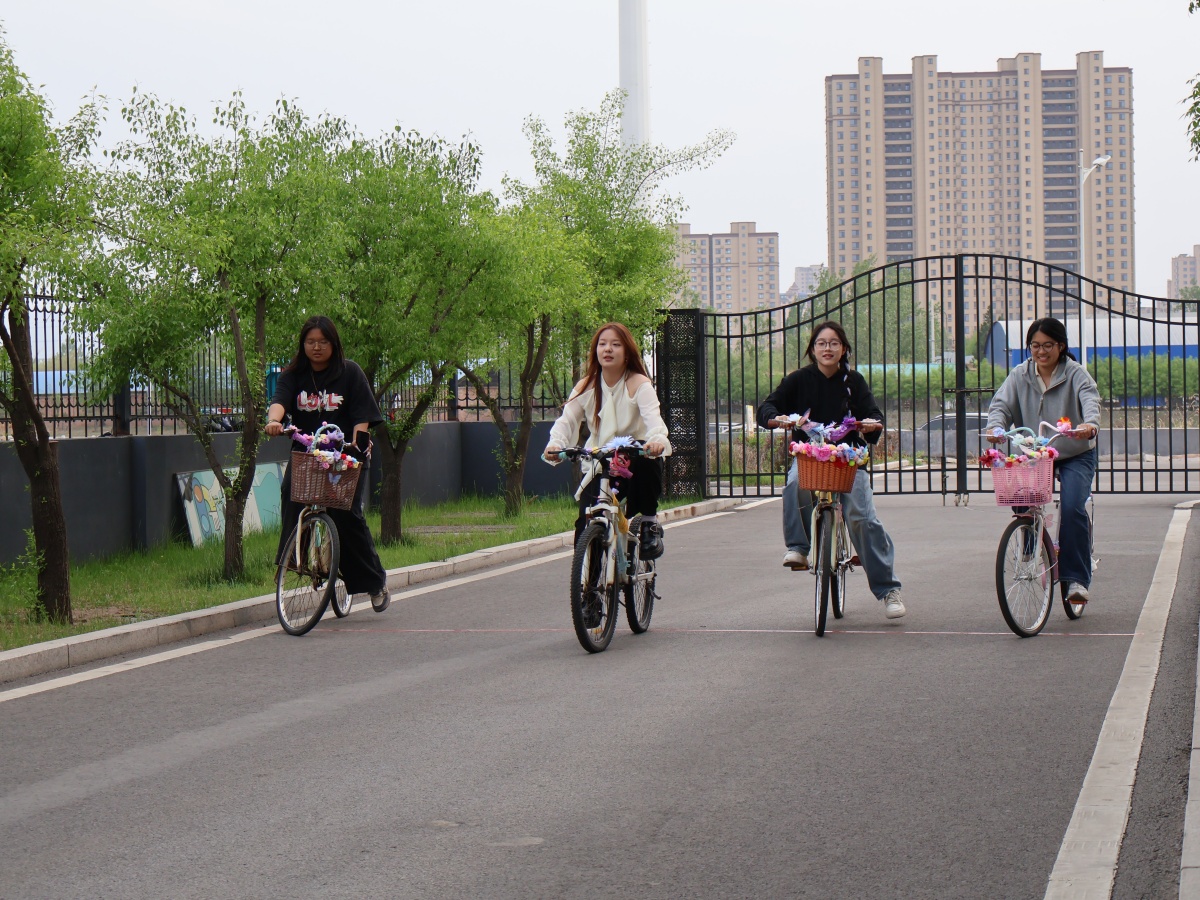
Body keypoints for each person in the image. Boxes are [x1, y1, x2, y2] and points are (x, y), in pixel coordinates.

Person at [756, 321, 906, 619]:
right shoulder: (798, 380)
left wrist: (871, 424)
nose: (828, 348)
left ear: (844, 348)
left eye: (834, 343)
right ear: (812, 349)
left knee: (862, 517)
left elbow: (874, 414)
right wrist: (778, 418)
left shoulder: (854, 381)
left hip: (848, 460)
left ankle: (888, 589)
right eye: (821, 343)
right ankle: (798, 547)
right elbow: (767, 408)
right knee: (794, 484)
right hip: (810, 458)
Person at [264, 316, 391, 612]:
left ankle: (374, 582)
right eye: (310, 342)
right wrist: (273, 421)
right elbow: (280, 401)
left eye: (323, 342)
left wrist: (358, 442)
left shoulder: (350, 373)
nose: (317, 347)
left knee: (348, 516)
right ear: (303, 344)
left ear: (334, 344)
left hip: (345, 455)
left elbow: (362, 416)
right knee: (291, 494)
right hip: (308, 455)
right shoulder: (293, 374)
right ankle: (291, 559)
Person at [987, 317, 1101, 605]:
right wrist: (995, 427)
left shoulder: (1076, 373)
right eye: (1035, 345)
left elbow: (1091, 401)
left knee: (1072, 507)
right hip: (1037, 452)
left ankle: (1076, 579)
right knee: (1020, 492)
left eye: (1048, 345)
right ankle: (1029, 537)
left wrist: (1089, 424)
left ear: (1061, 346)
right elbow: (1000, 405)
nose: (1041, 351)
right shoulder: (1019, 375)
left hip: (1075, 451)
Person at [542, 322, 671, 559]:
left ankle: (649, 524)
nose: (608, 349)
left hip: (634, 461)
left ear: (627, 352)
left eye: (615, 344)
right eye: (602, 344)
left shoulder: (639, 384)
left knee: (647, 460)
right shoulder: (586, 386)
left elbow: (654, 420)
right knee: (585, 525)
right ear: (596, 351)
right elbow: (566, 420)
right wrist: (556, 443)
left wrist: (656, 441)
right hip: (601, 463)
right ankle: (587, 582)